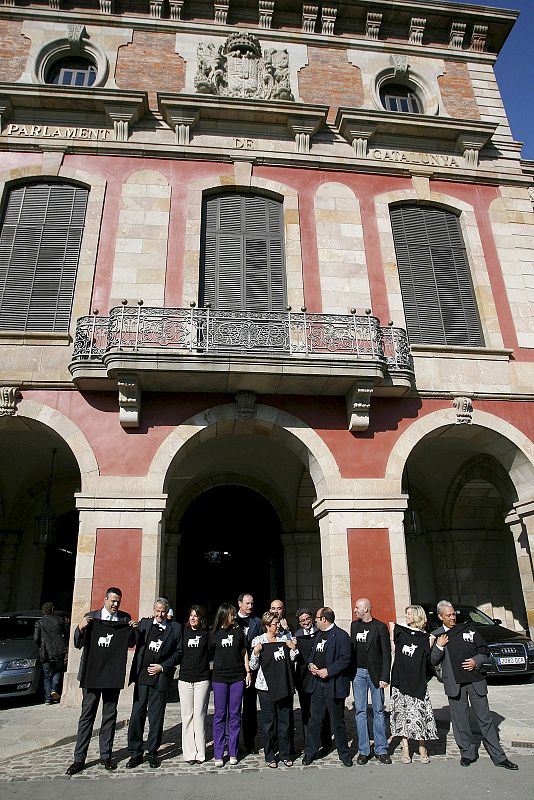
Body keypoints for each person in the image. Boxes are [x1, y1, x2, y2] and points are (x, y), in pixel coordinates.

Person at [430, 600, 518, 770]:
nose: (452, 617)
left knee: (485, 720)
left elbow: (484, 650)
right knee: (460, 721)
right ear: (440, 616)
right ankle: (467, 753)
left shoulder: (469, 629)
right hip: (455, 684)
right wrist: (439, 647)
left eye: (454, 614)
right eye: (448, 615)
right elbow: (433, 660)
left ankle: (499, 756)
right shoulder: (437, 635)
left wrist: (475, 661)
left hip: (475, 681)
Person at [66, 587, 136, 775]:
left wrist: (132, 630)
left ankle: (106, 755)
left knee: (109, 716)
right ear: (105, 599)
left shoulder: (124, 618)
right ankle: (79, 759)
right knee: (87, 716)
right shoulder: (91, 617)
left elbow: (130, 643)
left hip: (112, 675)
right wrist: (80, 627)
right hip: (92, 674)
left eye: (118, 601)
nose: (115, 604)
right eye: (113, 601)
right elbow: (77, 643)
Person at [126, 597, 182, 769]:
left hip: (161, 678)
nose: (160, 614)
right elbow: (131, 643)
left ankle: (152, 753)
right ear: (153, 610)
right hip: (142, 676)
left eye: (163, 611)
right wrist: (132, 631)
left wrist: (162, 667)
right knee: (137, 715)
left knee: (156, 718)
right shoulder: (144, 623)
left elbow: (179, 652)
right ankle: (135, 753)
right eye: (157, 611)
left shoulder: (175, 628)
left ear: (167, 612)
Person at [302, 607, 352, 768]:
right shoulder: (318, 635)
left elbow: (346, 659)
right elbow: (312, 653)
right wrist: (310, 664)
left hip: (333, 684)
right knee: (314, 720)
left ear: (324, 619)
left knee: (337, 722)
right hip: (318, 685)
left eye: (317, 617)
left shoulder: (341, 636)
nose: (314, 620)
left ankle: (344, 753)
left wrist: (328, 671)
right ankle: (309, 752)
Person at [389, 605, 438, 764]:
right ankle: (405, 747)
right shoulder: (400, 631)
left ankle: (422, 746)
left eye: (409, 614)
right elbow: (394, 652)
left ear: (418, 616)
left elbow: (428, 661)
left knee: (419, 714)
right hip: (400, 679)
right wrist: (392, 633)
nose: (407, 616)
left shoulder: (427, 638)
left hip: (417, 681)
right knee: (402, 714)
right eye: (406, 613)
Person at [249, 611, 298, 768]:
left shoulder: (284, 639)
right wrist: (256, 652)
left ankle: (285, 753)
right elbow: (252, 666)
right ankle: (270, 755)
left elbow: (291, 660)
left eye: (278, 623)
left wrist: (293, 649)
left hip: (282, 685)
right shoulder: (259, 640)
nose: (278, 626)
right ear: (267, 626)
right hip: (265, 688)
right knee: (268, 723)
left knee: (284, 722)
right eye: (275, 624)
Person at [351, 597, 392, 765]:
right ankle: (363, 750)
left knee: (378, 712)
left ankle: (381, 749)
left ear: (366, 609)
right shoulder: (354, 625)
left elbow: (386, 654)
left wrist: (384, 677)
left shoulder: (380, 627)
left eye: (357, 608)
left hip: (375, 674)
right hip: (358, 674)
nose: (355, 610)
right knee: (360, 712)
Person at [211, 602, 251, 767]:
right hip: (220, 678)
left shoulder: (238, 631)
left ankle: (233, 751)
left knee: (235, 714)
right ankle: (218, 753)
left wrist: (248, 672)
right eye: (232, 614)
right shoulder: (213, 633)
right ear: (223, 615)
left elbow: (244, 651)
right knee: (220, 715)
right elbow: (206, 655)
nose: (234, 617)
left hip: (237, 677)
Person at [294, 608, 331, 751]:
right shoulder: (297, 636)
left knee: (324, 710)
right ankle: (308, 742)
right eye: (302, 621)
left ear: (311, 618)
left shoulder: (320, 633)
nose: (306, 622)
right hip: (303, 677)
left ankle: (326, 741)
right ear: (299, 623)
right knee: (306, 712)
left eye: (307, 619)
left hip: (320, 675)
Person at [178, 605, 212, 764]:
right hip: (184, 678)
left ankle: (200, 752)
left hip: (202, 679)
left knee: (199, 715)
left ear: (201, 618)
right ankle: (189, 753)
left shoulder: (207, 634)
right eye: (191, 615)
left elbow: (212, 652)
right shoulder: (182, 632)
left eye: (196, 616)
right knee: (187, 716)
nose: (192, 618)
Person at [236, 593, 262, 753]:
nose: (250, 606)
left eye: (252, 604)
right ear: (239, 604)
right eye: (247, 603)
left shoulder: (257, 622)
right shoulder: (232, 620)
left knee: (250, 707)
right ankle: (232, 743)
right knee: (233, 707)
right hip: (234, 668)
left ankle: (249, 742)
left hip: (251, 669)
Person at [34, 601, 67, 705]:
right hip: (59, 650)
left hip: (46, 651)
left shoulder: (39, 622)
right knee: (58, 670)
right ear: (52, 609)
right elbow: (65, 633)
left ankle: (48, 698)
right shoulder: (59, 620)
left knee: (47, 675)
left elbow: (36, 638)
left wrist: (41, 645)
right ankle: (54, 690)